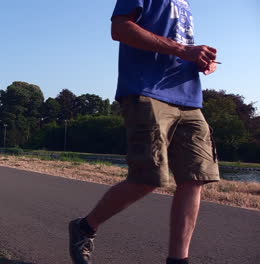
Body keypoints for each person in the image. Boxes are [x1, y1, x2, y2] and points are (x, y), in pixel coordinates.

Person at [68, 0, 220, 263]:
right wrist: (184, 50)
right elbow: (121, 28)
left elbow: (179, 44)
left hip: (189, 96)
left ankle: (178, 260)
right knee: (147, 176)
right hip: (147, 91)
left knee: (195, 177)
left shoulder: (185, 3)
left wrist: (201, 60)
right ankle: (85, 227)